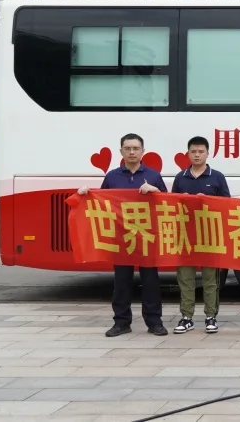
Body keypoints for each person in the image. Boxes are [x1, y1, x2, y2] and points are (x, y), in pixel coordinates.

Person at [78, 133, 168, 338]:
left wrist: (155, 190)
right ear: (121, 152)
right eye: (127, 148)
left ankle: (154, 322)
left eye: (136, 148)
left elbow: (165, 204)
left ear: (143, 151)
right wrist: (85, 194)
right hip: (121, 238)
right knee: (121, 282)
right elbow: (101, 203)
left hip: (146, 237)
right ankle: (121, 322)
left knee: (151, 281)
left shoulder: (153, 175)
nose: (132, 152)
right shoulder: (112, 176)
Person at [170, 136, 231, 335]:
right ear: (188, 154)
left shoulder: (217, 177)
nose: (197, 155)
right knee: (185, 278)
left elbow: (227, 205)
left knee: (210, 280)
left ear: (208, 153)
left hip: (210, 235)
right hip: (185, 236)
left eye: (201, 152)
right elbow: (170, 205)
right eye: (193, 152)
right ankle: (186, 317)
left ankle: (210, 316)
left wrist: (209, 201)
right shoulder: (180, 177)